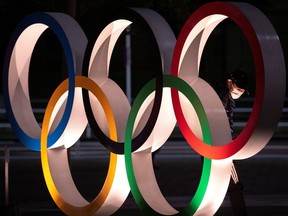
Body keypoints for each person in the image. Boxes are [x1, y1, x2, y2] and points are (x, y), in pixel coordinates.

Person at [215, 69, 249, 216]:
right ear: (230, 82)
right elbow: (220, 119)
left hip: (213, 146)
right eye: (238, 88)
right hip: (220, 147)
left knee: (214, 186)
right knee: (234, 185)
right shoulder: (222, 95)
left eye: (242, 91)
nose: (239, 92)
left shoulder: (226, 96)